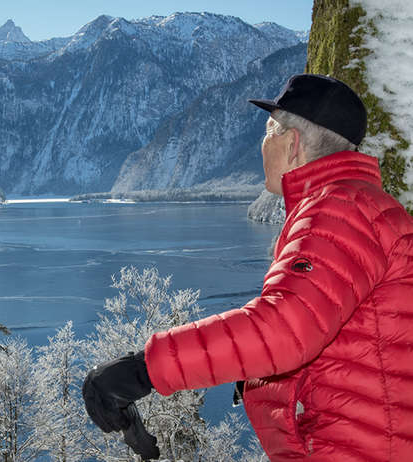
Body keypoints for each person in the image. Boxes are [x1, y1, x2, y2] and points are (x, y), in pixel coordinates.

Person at [82, 73, 413, 462]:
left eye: (267, 132)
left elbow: (285, 330)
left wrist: (144, 370)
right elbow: (341, 338)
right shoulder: (363, 205)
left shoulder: (339, 210)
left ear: (292, 144)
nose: (262, 146)